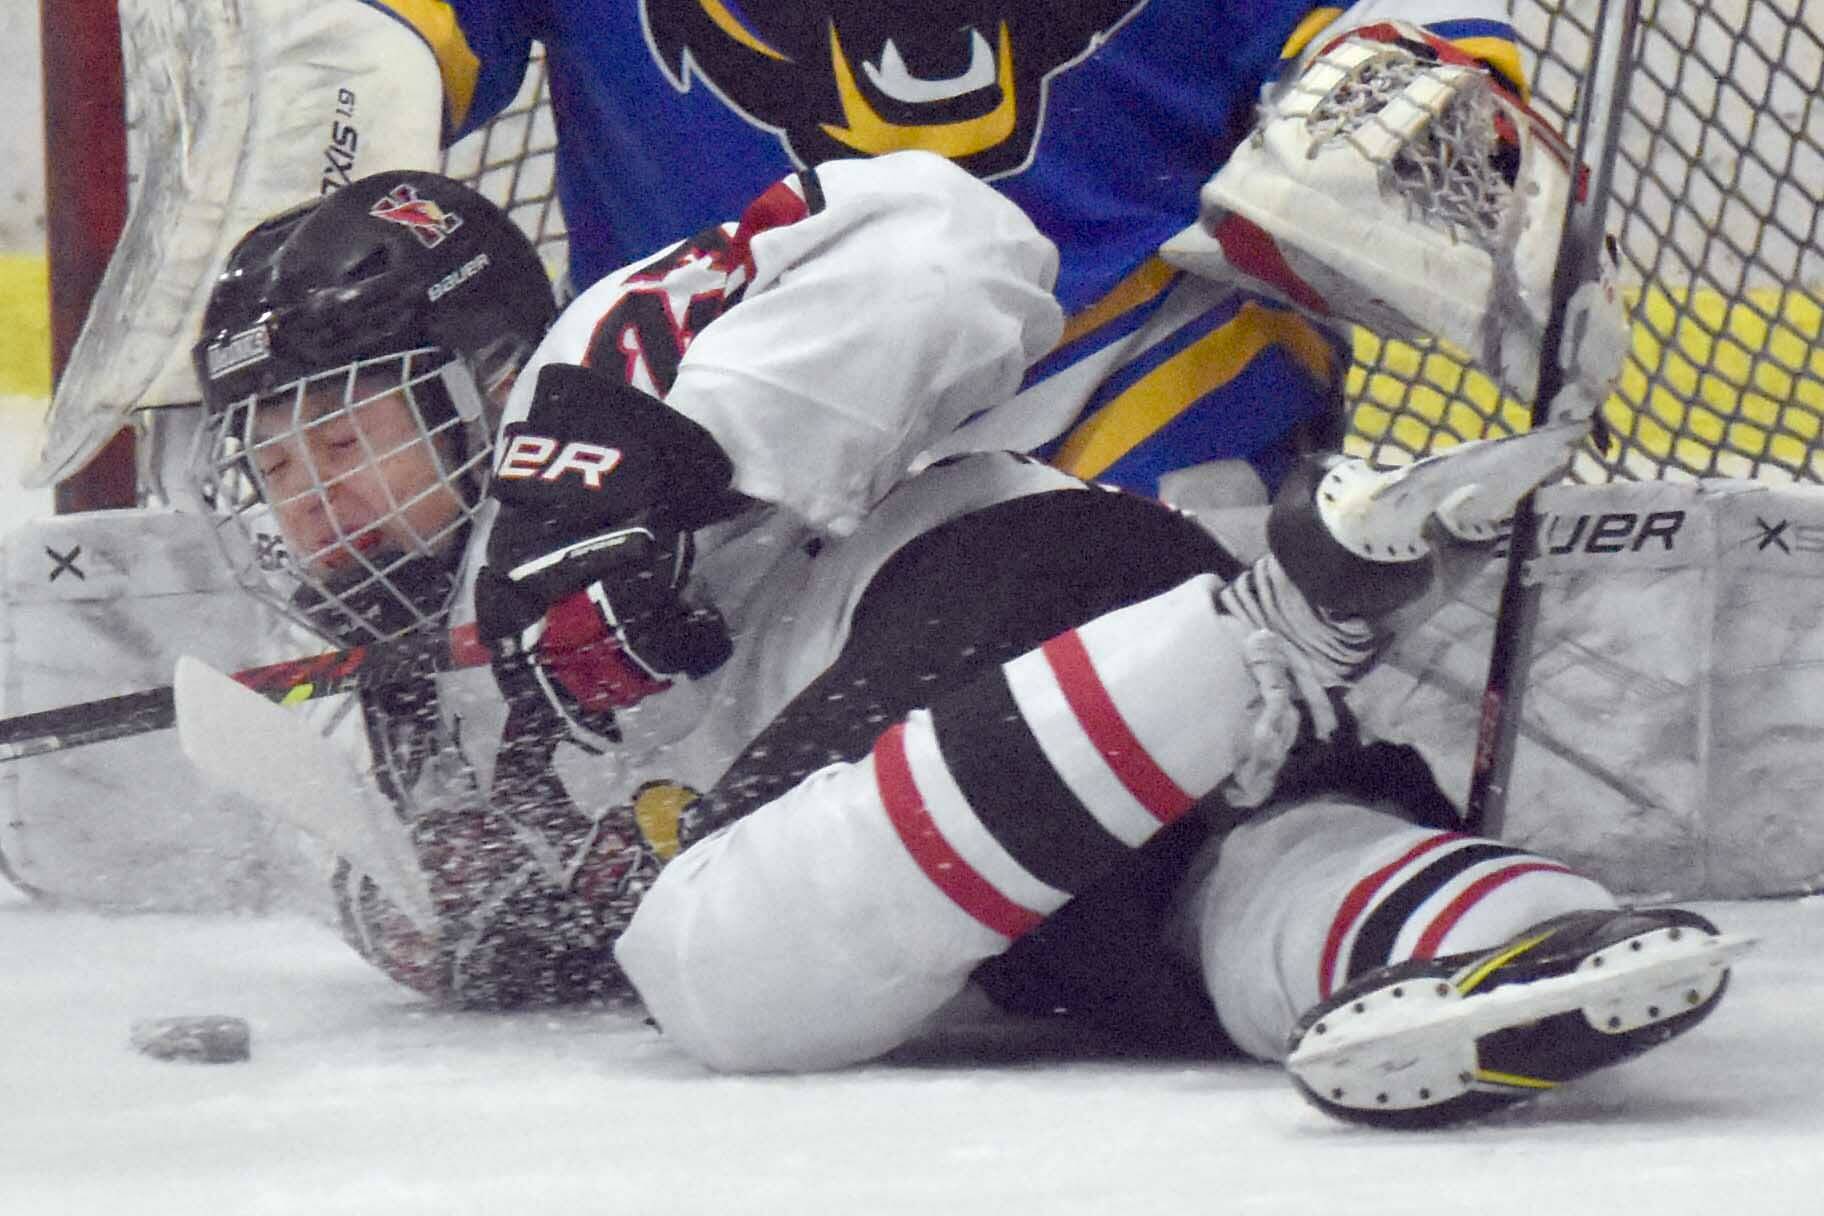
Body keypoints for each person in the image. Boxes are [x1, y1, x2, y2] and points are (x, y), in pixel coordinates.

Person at [183, 153, 1740, 1130]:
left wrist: (646, 457)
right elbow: (491, 904)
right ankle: (1515, 935)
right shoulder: (414, 698)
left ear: (484, 373)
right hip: (1045, 775)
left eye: (348, 442)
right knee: (1217, 907)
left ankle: (1275, 619)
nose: (313, 506)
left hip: (1007, 592)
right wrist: (464, 924)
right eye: (281, 470)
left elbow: (951, 242)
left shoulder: (591, 377)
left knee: (715, 971)